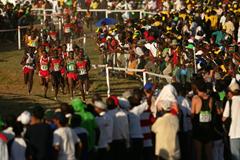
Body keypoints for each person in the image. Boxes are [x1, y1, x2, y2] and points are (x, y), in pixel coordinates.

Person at [152, 84, 180, 160]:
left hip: (161, 137)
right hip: (172, 137)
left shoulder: (159, 102)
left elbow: (154, 127)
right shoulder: (175, 102)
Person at [191, 80, 213, 160]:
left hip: (198, 128)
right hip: (208, 128)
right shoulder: (210, 98)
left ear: (197, 89)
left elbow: (192, 114)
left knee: (198, 154)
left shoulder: (195, 98)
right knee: (209, 153)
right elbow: (210, 111)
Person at [223, 79, 240, 160]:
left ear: (230, 92)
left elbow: (224, 118)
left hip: (234, 133)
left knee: (236, 156)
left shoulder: (229, 102)